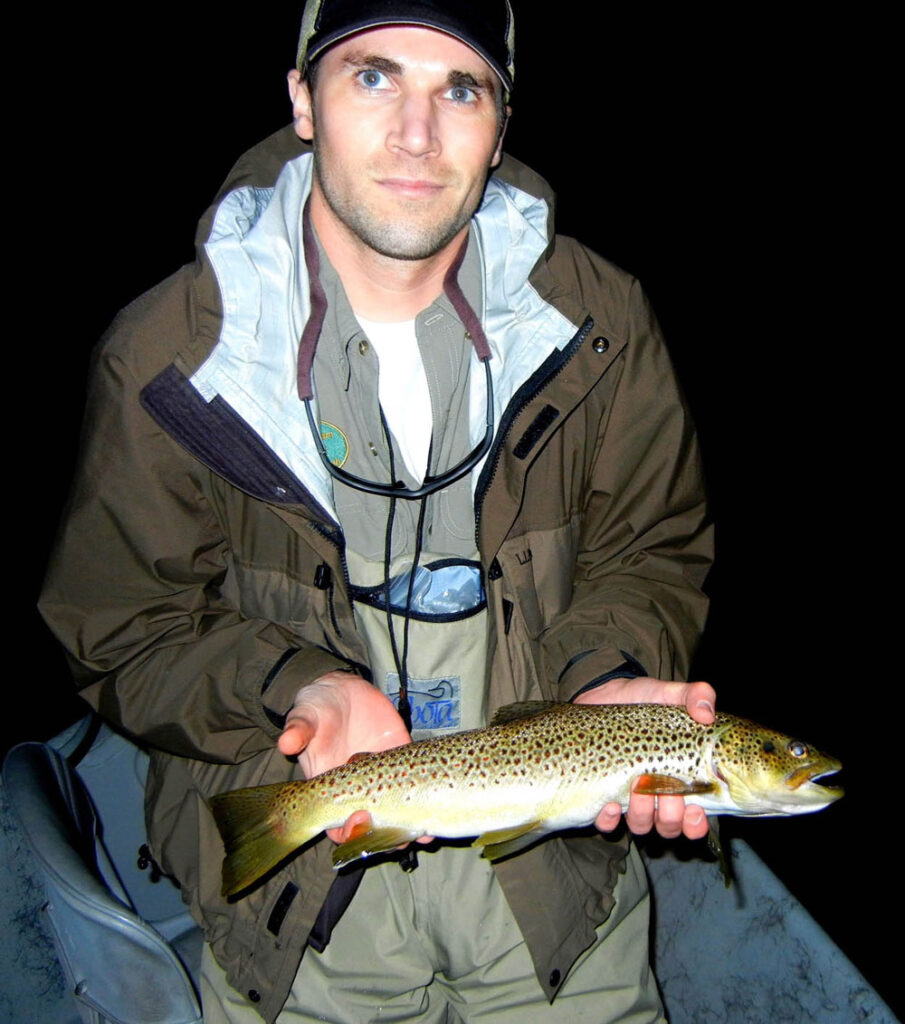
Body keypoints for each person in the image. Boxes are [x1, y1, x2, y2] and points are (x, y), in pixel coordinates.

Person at [39, 1, 714, 1020]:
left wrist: (606, 671)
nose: (416, 132)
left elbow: (650, 550)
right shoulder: (167, 357)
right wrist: (294, 682)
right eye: (371, 76)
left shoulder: (601, 320)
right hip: (299, 899)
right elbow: (121, 625)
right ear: (301, 101)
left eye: (460, 90)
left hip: (553, 884)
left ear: (500, 125)